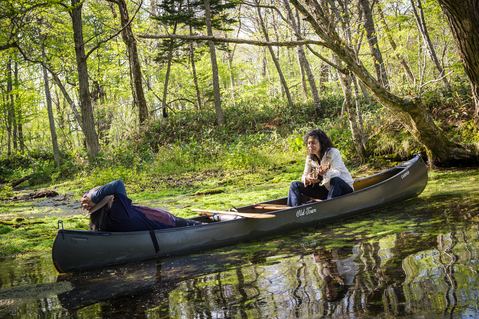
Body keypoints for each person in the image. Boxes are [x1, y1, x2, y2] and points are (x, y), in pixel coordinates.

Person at [81, 179, 203, 231]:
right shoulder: (118, 216)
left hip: (164, 219)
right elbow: (118, 184)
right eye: (110, 198)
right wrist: (94, 197)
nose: (113, 197)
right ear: (105, 206)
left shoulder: (101, 222)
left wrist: (88, 197)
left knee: (193, 222)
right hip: (167, 223)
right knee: (199, 226)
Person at [287, 129, 354, 207]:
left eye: (313, 143)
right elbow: (304, 175)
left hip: (343, 189)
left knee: (335, 180)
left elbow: (337, 173)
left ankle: (328, 207)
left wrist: (325, 173)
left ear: (321, 143)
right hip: (327, 190)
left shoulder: (333, 152)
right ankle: (295, 211)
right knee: (294, 185)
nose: (310, 146)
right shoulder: (309, 158)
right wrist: (307, 178)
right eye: (308, 143)